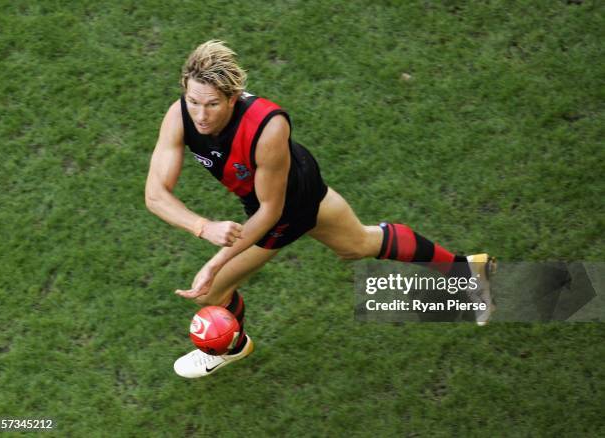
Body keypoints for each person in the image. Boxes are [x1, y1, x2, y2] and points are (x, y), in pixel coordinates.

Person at [145, 40, 495, 379]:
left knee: (211, 290)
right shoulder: (180, 115)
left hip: (282, 205)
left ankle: (232, 347)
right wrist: (204, 228)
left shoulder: (267, 127)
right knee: (356, 244)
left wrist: (216, 260)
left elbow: (270, 212)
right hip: (300, 180)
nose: (201, 115)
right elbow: (155, 195)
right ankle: (467, 270)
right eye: (194, 102)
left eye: (213, 105)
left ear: (233, 98)